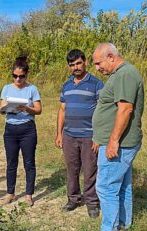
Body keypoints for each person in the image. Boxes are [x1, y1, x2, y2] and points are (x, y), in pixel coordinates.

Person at [84, 43, 144, 231]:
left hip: (121, 144)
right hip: (119, 142)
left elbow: (125, 109)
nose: (96, 68)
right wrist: (101, 136)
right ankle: (123, 223)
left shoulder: (125, 74)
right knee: (122, 185)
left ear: (111, 56)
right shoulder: (120, 74)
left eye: (98, 63)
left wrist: (112, 141)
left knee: (106, 186)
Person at [55, 49, 104, 218]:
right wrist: (59, 134)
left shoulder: (97, 84)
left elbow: (103, 111)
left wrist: (98, 136)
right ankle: (73, 199)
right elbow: (62, 110)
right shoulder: (66, 85)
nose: (75, 67)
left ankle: (91, 202)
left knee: (90, 170)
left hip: (89, 135)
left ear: (85, 63)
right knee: (72, 169)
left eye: (78, 63)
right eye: (71, 65)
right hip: (69, 135)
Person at [0, 56, 42, 206]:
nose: (18, 79)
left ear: (26, 75)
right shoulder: (6, 88)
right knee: (11, 163)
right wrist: (4, 109)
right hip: (10, 129)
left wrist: (27, 108)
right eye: (15, 76)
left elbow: (38, 110)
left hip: (27, 130)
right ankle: (10, 193)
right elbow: (2, 106)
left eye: (21, 76)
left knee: (29, 162)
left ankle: (29, 194)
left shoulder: (32, 89)